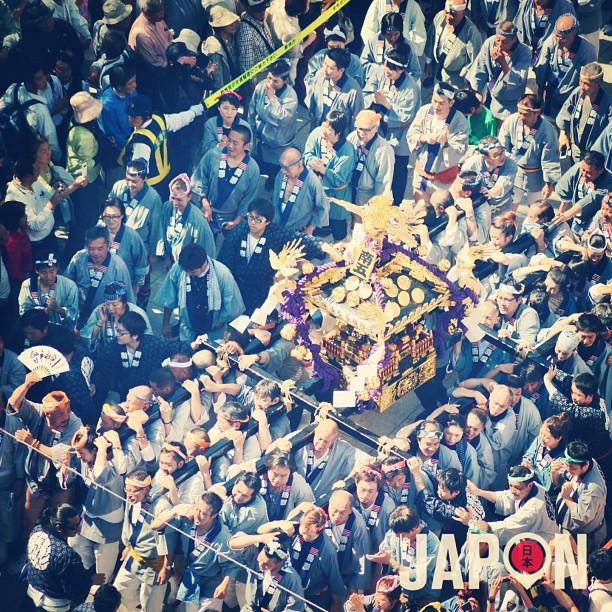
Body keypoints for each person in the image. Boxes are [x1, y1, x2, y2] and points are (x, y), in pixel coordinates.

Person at [6, 372, 84, 543]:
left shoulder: (75, 424)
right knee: (27, 521)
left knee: (59, 524)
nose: (65, 417)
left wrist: (32, 443)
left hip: (61, 485)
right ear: (47, 413)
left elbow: (59, 456)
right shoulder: (37, 412)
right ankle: (26, 554)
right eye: (59, 414)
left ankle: (52, 556)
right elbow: (13, 405)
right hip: (36, 480)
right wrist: (26, 385)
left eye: (67, 411)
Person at [217, 198, 326, 314]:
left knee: (257, 320)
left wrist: (323, 246)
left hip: (261, 289)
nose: (253, 222)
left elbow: (299, 239)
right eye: (250, 217)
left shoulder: (276, 233)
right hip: (237, 287)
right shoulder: (238, 233)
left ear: (267, 221)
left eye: (258, 220)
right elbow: (224, 262)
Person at [58, 426, 125, 584]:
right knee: (75, 544)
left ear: (95, 451)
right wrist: (65, 467)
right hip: (88, 514)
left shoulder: (113, 463)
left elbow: (100, 476)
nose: (79, 457)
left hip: (108, 521)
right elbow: (68, 479)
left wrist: (102, 449)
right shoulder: (84, 460)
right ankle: (83, 576)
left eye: (82, 453)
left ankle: (103, 586)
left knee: (103, 562)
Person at [91, 311, 201, 401]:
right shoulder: (114, 346)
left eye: (121, 333)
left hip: (147, 389)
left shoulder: (153, 343)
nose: (117, 335)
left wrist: (193, 345)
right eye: (117, 331)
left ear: (135, 335)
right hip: (123, 389)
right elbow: (102, 367)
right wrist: (94, 383)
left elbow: (172, 346)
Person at [112, 468, 177, 611]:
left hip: (155, 563)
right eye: (126, 490)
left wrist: (166, 568)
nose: (129, 495)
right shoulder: (131, 498)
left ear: (146, 490)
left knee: (150, 606)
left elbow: (169, 542)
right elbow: (130, 525)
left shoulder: (161, 507)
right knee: (116, 593)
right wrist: (128, 546)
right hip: (134, 556)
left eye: (134, 491)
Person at [363, 48, 420, 205]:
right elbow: (368, 90)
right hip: (379, 130)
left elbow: (405, 116)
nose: (387, 71)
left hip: (399, 137)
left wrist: (386, 104)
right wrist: (374, 102)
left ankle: (397, 203)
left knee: (398, 171)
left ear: (401, 69)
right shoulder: (382, 74)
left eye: (391, 69)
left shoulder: (411, 88)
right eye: (386, 66)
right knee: (377, 164)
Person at [156, 243, 245, 341]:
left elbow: (232, 305)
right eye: (186, 271)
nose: (188, 274)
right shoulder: (179, 268)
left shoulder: (222, 274)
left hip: (214, 330)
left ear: (203, 264)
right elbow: (169, 298)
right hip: (187, 328)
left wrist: (221, 321)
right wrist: (166, 323)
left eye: (192, 272)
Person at [121, 94, 204, 195]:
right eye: (129, 115)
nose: (130, 119)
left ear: (146, 116)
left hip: (151, 187)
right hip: (168, 176)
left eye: (134, 116)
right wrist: (194, 112)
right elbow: (180, 119)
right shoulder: (159, 119)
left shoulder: (141, 142)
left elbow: (137, 172)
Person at [5, 158, 85, 262]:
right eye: (38, 169)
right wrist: (51, 205)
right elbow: (35, 225)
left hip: (50, 236)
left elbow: (46, 198)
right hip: (38, 245)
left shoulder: (35, 181)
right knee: (44, 271)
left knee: (53, 265)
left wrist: (55, 189)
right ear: (28, 177)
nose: (40, 171)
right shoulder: (16, 197)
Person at [26, 503, 104, 609]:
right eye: (74, 526)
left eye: (79, 522)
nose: (79, 528)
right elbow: (75, 593)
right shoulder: (67, 557)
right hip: (52, 606)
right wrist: (91, 581)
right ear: (59, 527)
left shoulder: (37, 530)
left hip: (31, 592)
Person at [191, 124, 261, 235]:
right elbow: (201, 177)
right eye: (229, 140)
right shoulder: (213, 155)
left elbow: (249, 197)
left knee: (230, 248)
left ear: (247, 146)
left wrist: (237, 220)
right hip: (208, 211)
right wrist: (205, 203)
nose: (230, 146)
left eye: (235, 143)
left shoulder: (253, 169)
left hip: (232, 217)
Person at [65, 91, 108, 262]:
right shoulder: (83, 135)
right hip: (85, 182)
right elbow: (87, 163)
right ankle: (73, 256)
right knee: (83, 221)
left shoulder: (75, 123)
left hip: (85, 177)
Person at [466, 464, 558, 545]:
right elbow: (503, 497)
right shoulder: (534, 486)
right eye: (510, 485)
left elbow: (505, 528)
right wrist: (478, 492)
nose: (512, 491)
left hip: (543, 544)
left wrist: (472, 523)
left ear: (529, 485)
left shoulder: (532, 510)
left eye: (517, 487)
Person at [498, 93, 561, 210]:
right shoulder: (511, 121)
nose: (521, 117)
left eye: (526, 114)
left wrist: (549, 184)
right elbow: (502, 146)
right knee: (509, 207)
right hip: (514, 171)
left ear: (537, 112)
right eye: (519, 113)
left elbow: (550, 158)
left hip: (535, 176)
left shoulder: (548, 130)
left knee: (536, 210)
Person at [65, 225, 135, 328]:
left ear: (108, 246)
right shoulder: (79, 257)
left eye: (100, 248)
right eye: (91, 248)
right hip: (77, 312)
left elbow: (127, 296)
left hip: (103, 317)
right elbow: (66, 283)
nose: (95, 253)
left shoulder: (118, 266)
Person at [408, 82, 469, 201]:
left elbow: (460, 151)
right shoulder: (424, 111)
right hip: (422, 175)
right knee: (421, 214)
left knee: (440, 215)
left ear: (451, 103)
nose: (436, 106)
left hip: (444, 179)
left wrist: (445, 143)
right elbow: (411, 134)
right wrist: (423, 138)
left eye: (441, 103)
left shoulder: (460, 121)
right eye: (434, 101)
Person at [368, 505, 441, 604]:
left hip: (423, 599)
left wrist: (391, 561)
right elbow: (385, 546)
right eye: (395, 533)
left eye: (399, 534)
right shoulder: (397, 529)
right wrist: (384, 556)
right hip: (400, 594)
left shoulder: (431, 543)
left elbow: (416, 577)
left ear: (414, 529)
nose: (396, 537)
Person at [303, 110, 357, 239]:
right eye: (324, 125)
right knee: (316, 222)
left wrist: (323, 170)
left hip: (336, 195)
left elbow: (340, 180)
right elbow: (307, 153)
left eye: (329, 129)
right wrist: (311, 161)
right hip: (317, 188)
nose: (324, 130)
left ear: (338, 133)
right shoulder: (317, 133)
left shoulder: (347, 150)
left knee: (339, 231)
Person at [534, 13, 597, 120]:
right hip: (551, 96)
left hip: (572, 99)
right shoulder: (550, 42)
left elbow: (589, 81)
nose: (558, 41)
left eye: (563, 38)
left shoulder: (587, 51)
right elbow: (542, 71)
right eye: (556, 36)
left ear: (574, 34)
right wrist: (540, 95)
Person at [467, 21, 531, 122]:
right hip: (489, 96)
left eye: (505, 42)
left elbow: (517, 80)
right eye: (498, 40)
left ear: (514, 39)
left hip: (510, 104)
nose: (500, 45)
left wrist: (503, 63)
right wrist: (478, 91)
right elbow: (480, 67)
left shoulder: (524, 52)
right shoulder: (490, 42)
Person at [248, 59, 299, 185]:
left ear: (285, 80)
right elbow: (252, 108)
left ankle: (273, 180)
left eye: (276, 81)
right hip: (260, 138)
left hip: (278, 143)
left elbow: (282, 119)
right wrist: (252, 128)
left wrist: (272, 99)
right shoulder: (261, 86)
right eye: (269, 78)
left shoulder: (290, 97)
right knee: (259, 163)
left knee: (276, 170)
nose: (270, 83)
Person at [0, 59, 61, 163]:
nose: (44, 80)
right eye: (39, 79)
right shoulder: (40, 111)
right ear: (29, 84)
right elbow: (52, 139)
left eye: (43, 76)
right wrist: (58, 158)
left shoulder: (14, 88)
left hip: (12, 146)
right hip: (32, 150)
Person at [552, 440, 607, 549]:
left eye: (573, 468)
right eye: (567, 465)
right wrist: (553, 472)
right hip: (565, 527)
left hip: (583, 538)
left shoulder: (593, 489)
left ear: (586, 465)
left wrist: (567, 498)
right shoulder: (577, 463)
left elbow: (581, 518)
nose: (568, 469)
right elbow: (558, 483)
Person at [155, 173, 216, 268]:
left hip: (189, 265)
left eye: (179, 200)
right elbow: (163, 232)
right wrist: (167, 257)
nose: (175, 203)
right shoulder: (167, 207)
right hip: (173, 259)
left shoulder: (198, 220)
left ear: (189, 197)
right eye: (172, 198)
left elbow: (207, 250)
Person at [292, 419, 358, 504]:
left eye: (326, 441)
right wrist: (281, 443)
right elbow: (280, 444)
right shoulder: (302, 437)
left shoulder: (342, 448)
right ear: (315, 431)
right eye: (319, 439)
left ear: (334, 440)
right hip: (290, 496)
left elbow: (363, 460)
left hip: (316, 504)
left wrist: (346, 480)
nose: (321, 444)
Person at [557, 63, 612, 163]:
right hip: (575, 150)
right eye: (580, 81)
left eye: (586, 84)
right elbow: (565, 114)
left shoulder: (608, 102)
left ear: (598, 84)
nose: (582, 86)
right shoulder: (577, 93)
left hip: (595, 156)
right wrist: (563, 134)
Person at [423, 0, 482, 90]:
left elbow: (474, 61)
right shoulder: (440, 16)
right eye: (447, 12)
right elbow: (431, 38)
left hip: (457, 82)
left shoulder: (471, 33)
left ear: (463, 13)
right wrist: (428, 62)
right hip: (438, 70)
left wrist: (466, 80)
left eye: (454, 14)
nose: (449, 17)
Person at [271, 147, 330, 234]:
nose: (283, 171)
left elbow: (324, 207)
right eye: (281, 166)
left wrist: (310, 228)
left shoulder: (312, 180)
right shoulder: (281, 173)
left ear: (299, 165)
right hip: (277, 225)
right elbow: (276, 198)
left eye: (287, 168)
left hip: (299, 230)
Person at [307, 47, 365, 132]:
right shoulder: (320, 75)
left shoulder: (354, 91)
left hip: (337, 135)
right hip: (318, 129)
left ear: (341, 70)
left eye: (330, 67)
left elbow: (356, 119)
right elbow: (313, 102)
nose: (325, 69)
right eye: (325, 64)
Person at [324, 489, 372, 593]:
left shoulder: (359, 526)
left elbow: (361, 559)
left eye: (342, 512)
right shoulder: (321, 514)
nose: (337, 516)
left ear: (350, 510)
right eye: (334, 510)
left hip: (345, 572)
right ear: (329, 504)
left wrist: (354, 587)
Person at [100, 198, 149, 295]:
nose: (111, 220)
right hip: (100, 280)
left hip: (124, 283)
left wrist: (137, 286)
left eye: (115, 216)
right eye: (107, 216)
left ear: (122, 215)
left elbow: (141, 263)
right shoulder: (98, 232)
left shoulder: (132, 236)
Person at [18, 252, 78, 329]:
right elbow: (24, 313)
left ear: (57, 268)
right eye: (44, 272)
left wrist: (58, 309)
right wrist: (44, 311)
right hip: (36, 330)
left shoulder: (69, 285)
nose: (48, 276)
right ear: (37, 270)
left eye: (52, 271)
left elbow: (73, 314)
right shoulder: (27, 285)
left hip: (60, 330)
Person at [347, 110, 395, 206]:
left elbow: (384, 183)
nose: (362, 133)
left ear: (376, 128)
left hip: (369, 195)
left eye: (367, 130)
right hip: (350, 189)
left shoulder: (384, 150)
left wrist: (379, 205)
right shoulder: (352, 137)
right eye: (359, 129)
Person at [360, 13, 421, 87]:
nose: (392, 38)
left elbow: (415, 72)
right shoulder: (373, 41)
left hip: (399, 88)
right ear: (383, 32)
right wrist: (381, 70)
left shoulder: (407, 46)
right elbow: (363, 64)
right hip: (375, 85)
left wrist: (399, 76)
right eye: (389, 34)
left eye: (396, 34)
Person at [306, 26, 365, 94]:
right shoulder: (319, 56)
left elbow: (358, 85)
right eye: (331, 47)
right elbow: (309, 79)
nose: (335, 50)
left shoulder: (355, 61)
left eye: (339, 46)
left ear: (344, 43)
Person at [235, 0, 275, 98]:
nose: (262, 12)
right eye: (258, 10)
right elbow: (247, 64)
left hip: (269, 70)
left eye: (264, 9)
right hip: (259, 77)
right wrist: (253, 86)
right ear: (248, 8)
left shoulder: (259, 19)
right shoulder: (246, 32)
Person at [522, 413, 570, 491]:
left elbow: (548, 485)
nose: (542, 438)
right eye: (541, 433)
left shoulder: (562, 457)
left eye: (547, 437)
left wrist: (532, 470)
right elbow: (528, 455)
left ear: (558, 438)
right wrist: (526, 462)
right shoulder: (539, 440)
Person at [361, 0, 426, 56]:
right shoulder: (378, 2)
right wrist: (380, 48)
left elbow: (419, 39)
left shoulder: (413, 6)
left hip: (404, 56)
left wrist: (404, 49)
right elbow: (367, 31)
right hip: (379, 53)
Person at [202, 6, 241, 93]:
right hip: (228, 91)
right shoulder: (214, 46)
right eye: (227, 23)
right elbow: (218, 78)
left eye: (233, 21)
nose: (232, 24)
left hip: (239, 85)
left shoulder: (234, 37)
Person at [200, 91, 250, 156]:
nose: (229, 112)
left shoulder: (245, 126)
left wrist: (230, 145)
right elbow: (205, 148)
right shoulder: (210, 124)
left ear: (237, 110)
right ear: (219, 107)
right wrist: (219, 146)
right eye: (226, 108)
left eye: (233, 109)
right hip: (215, 159)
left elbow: (248, 150)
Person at [128, 0, 173, 68]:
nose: (163, 12)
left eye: (163, 8)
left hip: (171, 58)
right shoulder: (141, 35)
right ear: (148, 13)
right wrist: (175, 65)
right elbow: (155, 63)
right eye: (159, 10)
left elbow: (169, 37)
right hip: (160, 72)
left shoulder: (158, 20)